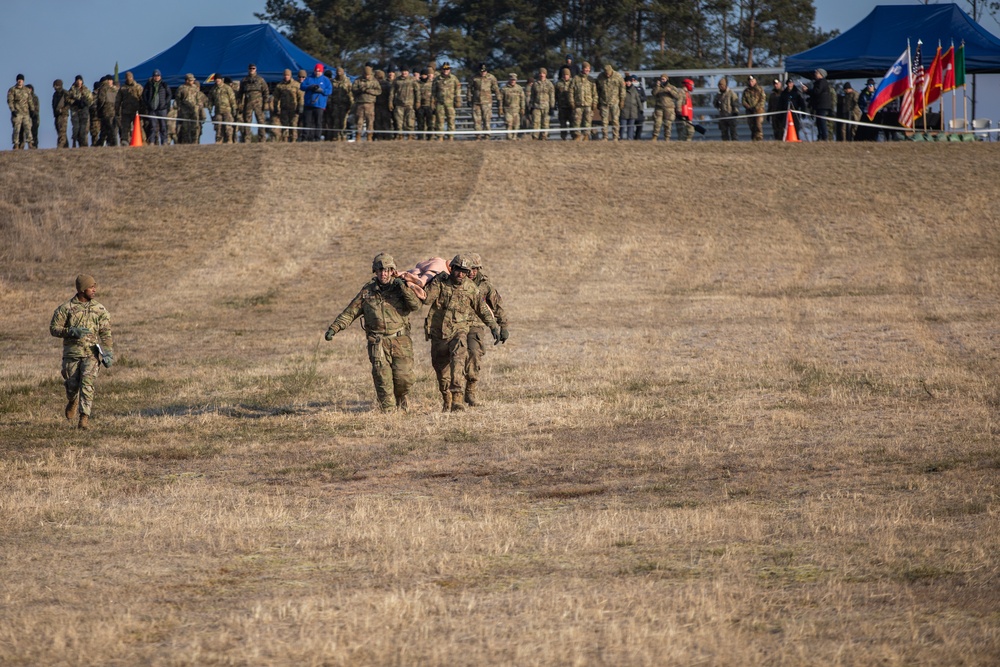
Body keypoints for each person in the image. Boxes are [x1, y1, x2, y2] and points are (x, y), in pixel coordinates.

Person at [325, 254, 421, 412]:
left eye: (387, 270)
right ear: (375, 272)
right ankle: (388, 410)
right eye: (379, 270)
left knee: (404, 378)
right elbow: (350, 312)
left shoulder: (401, 288)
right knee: (382, 377)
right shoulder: (367, 292)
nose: (383, 274)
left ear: (392, 271)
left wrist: (403, 287)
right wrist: (334, 328)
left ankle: (402, 396)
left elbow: (415, 306)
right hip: (377, 342)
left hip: (400, 341)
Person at [422, 254, 501, 412]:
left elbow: (482, 308)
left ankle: (458, 399)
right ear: (452, 269)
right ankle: (447, 400)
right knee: (441, 370)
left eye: (464, 271)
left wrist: (493, 326)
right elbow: (426, 299)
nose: (461, 274)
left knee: (458, 360)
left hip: (459, 331)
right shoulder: (441, 282)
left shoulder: (471, 288)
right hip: (438, 333)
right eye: (458, 270)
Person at [49, 274, 114, 430]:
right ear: (81, 289)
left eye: (94, 287)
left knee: (87, 383)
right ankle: (72, 400)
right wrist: (71, 331)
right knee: (72, 386)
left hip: (91, 354)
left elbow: (106, 333)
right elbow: (53, 329)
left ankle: (84, 418)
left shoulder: (99, 309)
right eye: (91, 287)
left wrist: (108, 353)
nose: (94, 290)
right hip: (72, 355)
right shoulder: (66, 309)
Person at [463, 253, 509, 407]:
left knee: (474, 355)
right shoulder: (456, 281)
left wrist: (503, 326)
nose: (472, 272)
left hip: (475, 325)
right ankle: (451, 394)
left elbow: (497, 305)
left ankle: (470, 391)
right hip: (455, 325)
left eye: (475, 269)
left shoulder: (485, 285)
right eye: (469, 269)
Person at [239, 63, 269, 142]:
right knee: (247, 121)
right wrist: (240, 104)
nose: (252, 70)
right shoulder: (244, 80)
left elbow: (266, 91)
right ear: (248, 69)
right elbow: (240, 93)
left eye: (253, 68)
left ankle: (262, 139)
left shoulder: (260, 80)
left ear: (255, 69)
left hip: (258, 104)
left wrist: (265, 103)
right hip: (248, 103)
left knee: (261, 121)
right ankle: (247, 139)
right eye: (250, 68)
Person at [469, 64, 500, 140]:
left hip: (487, 102)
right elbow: (469, 88)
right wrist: (469, 99)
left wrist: (498, 98)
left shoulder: (491, 78)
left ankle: (487, 136)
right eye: (481, 71)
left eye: (484, 71)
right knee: (476, 120)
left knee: (487, 119)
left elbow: (496, 89)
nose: (483, 72)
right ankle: (478, 136)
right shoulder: (474, 78)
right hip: (476, 102)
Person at [432, 62, 462, 140]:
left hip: (450, 103)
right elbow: (433, 92)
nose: (446, 71)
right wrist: (432, 102)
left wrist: (458, 100)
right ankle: (440, 137)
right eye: (444, 69)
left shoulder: (454, 78)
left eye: (447, 69)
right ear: (442, 69)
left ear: (450, 70)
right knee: (439, 120)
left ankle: (450, 136)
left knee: (451, 119)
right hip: (440, 103)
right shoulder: (437, 79)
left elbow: (458, 90)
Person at [596, 64, 625, 140]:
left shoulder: (618, 76)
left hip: (614, 102)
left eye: (609, 74)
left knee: (615, 120)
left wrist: (622, 100)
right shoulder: (600, 77)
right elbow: (597, 90)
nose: (607, 75)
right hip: (604, 102)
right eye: (606, 74)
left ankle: (615, 136)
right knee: (604, 121)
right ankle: (605, 136)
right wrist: (598, 101)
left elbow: (622, 89)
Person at [142, 70, 171, 145]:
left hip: (162, 109)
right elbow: (144, 95)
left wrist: (165, 103)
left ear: (160, 76)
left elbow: (169, 95)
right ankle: (152, 141)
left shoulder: (164, 84)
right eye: (155, 76)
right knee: (153, 126)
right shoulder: (149, 85)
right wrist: (147, 104)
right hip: (152, 109)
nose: (157, 77)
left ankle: (164, 141)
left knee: (163, 126)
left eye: (158, 76)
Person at [273, 68, 303, 142]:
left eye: (288, 75)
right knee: (285, 126)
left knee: (293, 125)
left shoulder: (296, 85)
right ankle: (285, 141)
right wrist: (276, 107)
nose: (286, 76)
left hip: (294, 109)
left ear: (290, 75)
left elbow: (301, 97)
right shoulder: (279, 86)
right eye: (285, 75)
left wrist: (300, 107)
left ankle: (293, 140)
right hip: (284, 109)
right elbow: (276, 98)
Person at [352, 66, 381, 141]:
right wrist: (360, 90)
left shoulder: (374, 81)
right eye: (366, 74)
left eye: (368, 75)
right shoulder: (358, 80)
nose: (367, 76)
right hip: (360, 103)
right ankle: (358, 136)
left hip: (370, 104)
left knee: (370, 121)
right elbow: (353, 89)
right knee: (359, 121)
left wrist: (369, 91)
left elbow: (378, 91)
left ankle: (369, 136)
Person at [569, 61, 596, 140]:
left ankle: (586, 136)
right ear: (582, 69)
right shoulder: (576, 79)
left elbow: (594, 93)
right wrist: (572, 102)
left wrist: (594, 102)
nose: (587, 70)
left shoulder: (591, 80)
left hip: (588, 104)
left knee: (587, 121)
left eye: (588, 69)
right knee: (576, 121)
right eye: (585, 68)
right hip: (578, 104)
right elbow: (571, 91)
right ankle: (577, 136)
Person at [115, 71, 144, 145]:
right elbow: (118, 100)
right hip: (126, 112)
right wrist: (117, 110)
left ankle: (142, 140)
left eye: (130, 77)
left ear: (132, 77)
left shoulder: (138, 87)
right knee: (125, 127)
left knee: (138, 127)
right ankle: (124, 140)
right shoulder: (122, 88)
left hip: (136, 112)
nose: (129, 79)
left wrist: (143, 109)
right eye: (127, 77)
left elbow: (142, 99)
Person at [174, 73, 203, 144]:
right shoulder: (181, 88)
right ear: (186, 80)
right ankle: (185, 142)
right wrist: (180, 108)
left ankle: (195, 142)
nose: (192, 82)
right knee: (185, 127)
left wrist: (198, 107)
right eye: (190, 80)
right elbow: (178, 99)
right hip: (185, 111)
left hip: (194, 110)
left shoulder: (195, 88)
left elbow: (198, 98)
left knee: (195, 127)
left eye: (193, 80)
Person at [66, 75, 93, 148]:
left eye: (80, 80)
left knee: (83, 129)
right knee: (76, 128)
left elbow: (91, 100)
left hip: (84, 111)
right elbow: (67, 99)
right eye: (77, 80)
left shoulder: (86, 90)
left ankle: (83, 144)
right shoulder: (72, 90)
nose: (79, 82)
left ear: (82, 81)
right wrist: (75, 102)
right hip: (75, 111)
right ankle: (74, 141)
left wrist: (85, 103)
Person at [391, 67, 418, 139]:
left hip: (409, 104)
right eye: (403, 71)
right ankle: (400, 136)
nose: (404, 73)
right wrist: (390, 102)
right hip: (399, 104)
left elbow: (417, 92)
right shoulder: (396, 80)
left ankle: (410, 136)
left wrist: (418, 102)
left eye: (406, 71)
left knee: (410, 121)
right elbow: (392, 93)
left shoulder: (413, 80)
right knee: (399, 122)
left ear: (408, 72)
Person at [528, 67, 555, 140]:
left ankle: (544, 137)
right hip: (536, 106)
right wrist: (531, 106)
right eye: (540, 73)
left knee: (545, 123)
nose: (542, 75)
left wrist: (552, 107)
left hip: (546, 107)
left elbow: (552, 96)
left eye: (543, 73)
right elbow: (532, 96)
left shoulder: (549, 84)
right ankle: (535, 137)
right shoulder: (535, 84)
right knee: (535, 123)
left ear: (545, 74)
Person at [8, 74, 33, 149]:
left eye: (21, 80)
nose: (20, 81)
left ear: (23, 81)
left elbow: (30, 101)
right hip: (17, 113)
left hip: (26, 113)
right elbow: (10, 101)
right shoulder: (12, 90)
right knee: (16, 129)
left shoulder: (27, 90)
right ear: (17, 80)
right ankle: (16, 144)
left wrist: (32, 110)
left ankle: (30, 143)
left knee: (28, 128)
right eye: (18, 80)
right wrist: (12, 110)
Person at [651, 74, 679, 141]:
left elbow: (677, 96)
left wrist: (670, 91)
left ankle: (667, 137)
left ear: (667, 79)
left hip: (669, 108)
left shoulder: (672, 87)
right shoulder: (658, 87)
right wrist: (657, 86)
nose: (662, 80)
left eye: (664, 79)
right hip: (659, 108)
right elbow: (654, 93)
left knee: (668, 124)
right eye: (661, 79)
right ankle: (655, 137)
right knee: (657, 122)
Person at [328, 67, 353, 141]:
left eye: (340, 72)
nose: (339, 73)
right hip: (335, 104)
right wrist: (330, 103)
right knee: (335, 121)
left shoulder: (347, 81)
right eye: (337, 72)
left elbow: (350, 93)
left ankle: (343, 136)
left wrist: (351, 104)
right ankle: (336, 136)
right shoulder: (333, 81)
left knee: (343, 122)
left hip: (344, 105)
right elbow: (330, 94)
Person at [211, 76, 238, 143]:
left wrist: (234, 108)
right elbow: (210, 100)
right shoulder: (213, 89)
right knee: (218, 127)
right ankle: (219, 141)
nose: (217, 80)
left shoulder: (227, 88)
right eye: (216, 79)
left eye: (218, 79)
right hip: (218, 111)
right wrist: (210, 110)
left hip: (227, 110)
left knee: (228, 126)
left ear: (221, 80)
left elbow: (232, 99)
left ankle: (229, 140)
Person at [499, 72, 525, 139]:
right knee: (508, 124)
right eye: (511, 79)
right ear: (509, 80)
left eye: (514, 80)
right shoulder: (504, 89)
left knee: (516, 125)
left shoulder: (519, 88)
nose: (513, 81)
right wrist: (500, 108)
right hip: (508, 110)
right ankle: (509, 138)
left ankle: (514, 137)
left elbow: (522, 99)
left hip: (516, 110)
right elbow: (500, 100)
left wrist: (522, 108)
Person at [809, 68, 832, 141]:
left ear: (821, 75)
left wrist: (807, 90)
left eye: (817, 73)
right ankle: (820, 136)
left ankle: (824, 137)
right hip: (819, 105)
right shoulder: (818, 82)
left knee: (822, 121)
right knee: (818, 122)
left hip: (822, 105)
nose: (815, 74)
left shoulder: (822, 82)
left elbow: (817, 92)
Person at [741, 74, 766, 141]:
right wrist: (749, 107)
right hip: (750, 111)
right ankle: (754, 139)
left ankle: (759, 138)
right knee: (751, 125)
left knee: (758, 125)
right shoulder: (746, 91)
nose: (751, 82)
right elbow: (743, 101)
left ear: (755, 81)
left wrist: (756, 107)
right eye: (749, 81)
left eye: (752, 81)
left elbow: (762, 99)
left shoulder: (760, 89)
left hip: (759, 111)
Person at [621, 75, 643, 140]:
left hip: (633, 111)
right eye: (626, 81)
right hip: (624, 111)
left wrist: (641, 108)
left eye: (629, 81)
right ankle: (620, 138)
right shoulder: (622, 90)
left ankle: (630, 139)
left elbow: (638, 100)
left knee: (631, 127)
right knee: (622, 126)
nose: (628, 83)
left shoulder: (634, 90)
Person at [415, 69, 435, 140]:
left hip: (429, 105)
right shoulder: (418, 84)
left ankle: (430, 137)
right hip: (420, 106)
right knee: (420, 123)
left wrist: (433, 105)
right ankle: (420, 137)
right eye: (423, 75)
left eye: (425, 75)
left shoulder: (431, 83)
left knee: (430, 123)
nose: (424, 76)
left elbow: (434, 94)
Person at [555, 68, 574, 140]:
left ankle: (573, 136)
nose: (565, 76)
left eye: (567, 75)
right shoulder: (558, 84)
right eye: (564, 74)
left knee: (572, 123)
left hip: (571, 107)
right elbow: (555, 95)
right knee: (562, 123)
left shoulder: (573, 82)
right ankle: (563, 137)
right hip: (562, 107)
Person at [52, 79, 70, 148]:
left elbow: (68, 103)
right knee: (59, 131)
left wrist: (63, 110)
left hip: (63, 115)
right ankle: (66, 146)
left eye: (55, 86)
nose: (54, 87)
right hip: (57, 115)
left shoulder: (65, 93)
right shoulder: (55, 94)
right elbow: (53, 104)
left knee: (62, 131)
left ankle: (60, 146)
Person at [26, 84, 40, 149]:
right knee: (27, 133)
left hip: (34, 117)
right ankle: (29, 145)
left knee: (34, 132)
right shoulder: (24, 97)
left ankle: (35, 146)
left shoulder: (34, 97)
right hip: (27, 117)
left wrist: (33, 113)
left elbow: (37, 108)